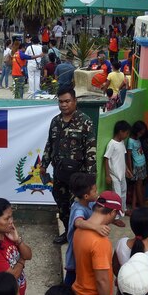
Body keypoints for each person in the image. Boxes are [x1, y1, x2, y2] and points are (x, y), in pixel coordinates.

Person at [41, 88, 97, 244]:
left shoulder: (85, 121)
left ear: (74, 101)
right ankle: (68, 232)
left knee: (77, 208)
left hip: (78, 176)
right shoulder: (55, 121)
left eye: (67, 101)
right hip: (60, 174)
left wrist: (91, 178)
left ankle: (79, 237)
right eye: (61, 102)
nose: (64, 105)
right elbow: (49, 145)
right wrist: (43, 165)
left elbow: (91, 149)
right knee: (62, 205)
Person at [73, 192, 121, 295]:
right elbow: (102, 280)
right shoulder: (101, 241)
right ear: (112, 212)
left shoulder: (79, 229)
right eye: (116, 214)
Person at [64, 173, 108, 286]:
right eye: (95, 191)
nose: (97, 193)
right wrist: (96, 227)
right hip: (74, 255)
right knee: (70, 281)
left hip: (83, 250)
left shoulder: (90, 202)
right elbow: (78, 222)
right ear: (86, 196)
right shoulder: (78, 209)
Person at [103, 121, 131, 217]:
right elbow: (106, 159)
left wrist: (126, 169)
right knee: (117, 195)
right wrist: (107, 175)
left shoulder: (121, 143)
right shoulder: (112, 144)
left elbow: (122, 158)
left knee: (123, 192)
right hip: (114, 175)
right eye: (126, 133)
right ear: (120, 132)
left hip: (122, 173)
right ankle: (115, 216)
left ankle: (123, 209)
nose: (127, 135)